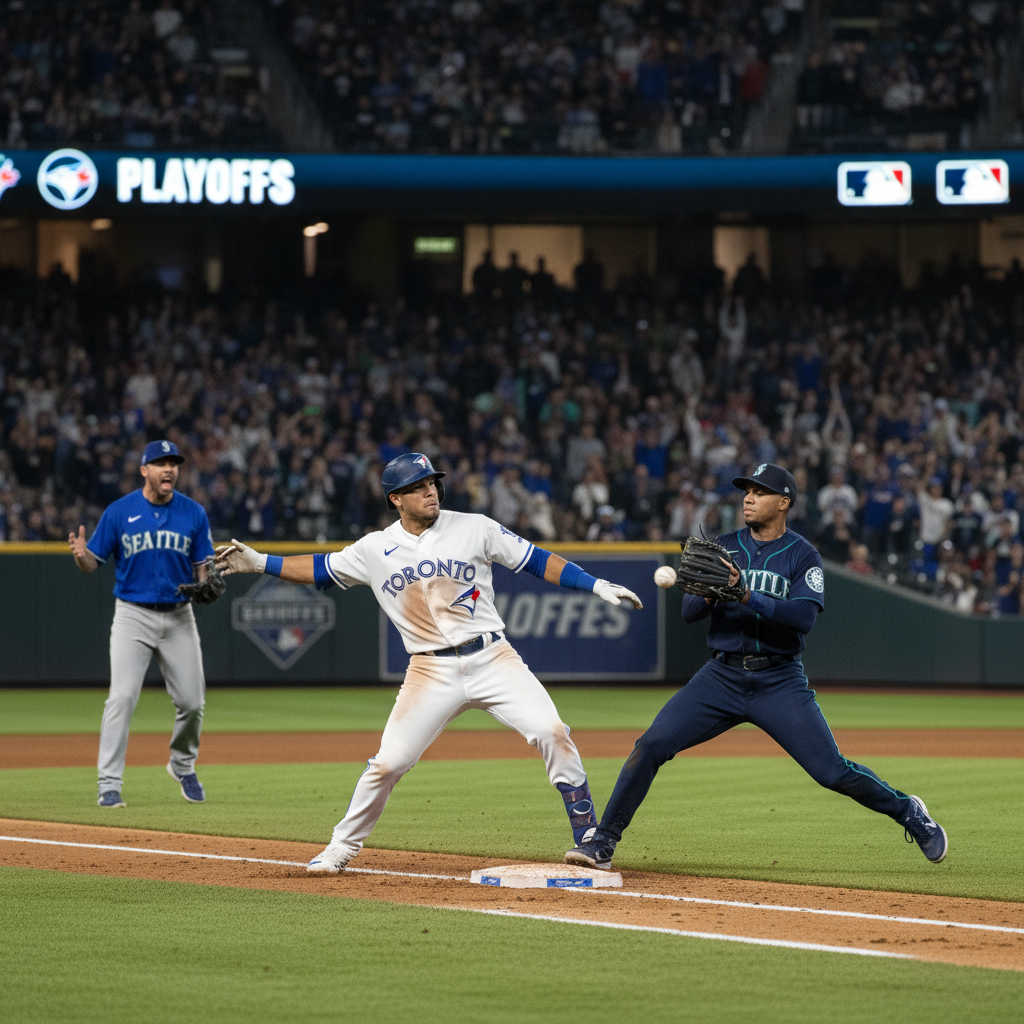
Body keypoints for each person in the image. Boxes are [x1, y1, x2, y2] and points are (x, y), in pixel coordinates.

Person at [215, 453, 643, 874]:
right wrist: (259, 563)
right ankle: (341, 847)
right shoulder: (375, 548)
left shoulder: (475, 527)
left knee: (552, 731)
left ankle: (588, 836)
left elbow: (534, 559)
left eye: (432, 483)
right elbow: (321, 568)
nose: (430, 491)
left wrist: (595, 584)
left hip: (493, 657)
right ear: (395, 499)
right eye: (417, 487)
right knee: (389, 762)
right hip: (429, 669)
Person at [566, 462, 948, 871]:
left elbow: (802, 618)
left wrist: (745, 594)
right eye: (747, 490)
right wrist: (713, 591)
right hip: (721, 676)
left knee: (831, 772)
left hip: (779, 680)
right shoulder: (723, 546)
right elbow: (691, 613)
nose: (749, 497)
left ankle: (908, 811)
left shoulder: (803, 556)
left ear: (783, 503)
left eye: (760, 492)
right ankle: (603, 842)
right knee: (651, 746)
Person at [68, 440, 216, 808]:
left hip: (179, 615)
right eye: (160, 463)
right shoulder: (120, 512)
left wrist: (208, 578)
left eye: (174, 463)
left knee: (192, 702)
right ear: (144, 470)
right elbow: (93, 563)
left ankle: (182, 765)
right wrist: (81, 556)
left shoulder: (193, 513)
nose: (169, 469)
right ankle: (108, 783)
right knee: (121, 698)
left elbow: (204, 567)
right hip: (133, 615)